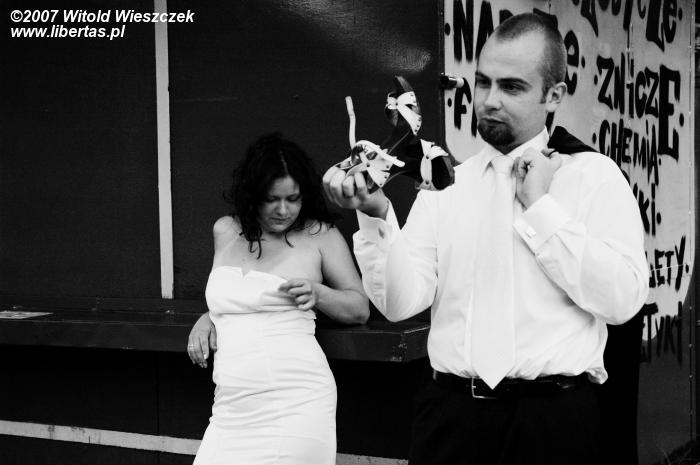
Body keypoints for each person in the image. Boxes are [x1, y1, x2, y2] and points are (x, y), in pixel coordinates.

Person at [323, 13, 649, 465]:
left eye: (512, 87)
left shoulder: (593, 177)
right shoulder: (446, 184)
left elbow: (622, 300)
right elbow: (401, 303)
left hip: (553, 425)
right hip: (452, 420)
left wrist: (541, 210)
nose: (489, 101)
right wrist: (376, 215)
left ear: (554, 95)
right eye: (482, 83)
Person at [187, 133, 369, 465]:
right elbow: (233, 299)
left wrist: (318, 293)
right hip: (231, 408)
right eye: (272, 199)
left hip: (297, 404)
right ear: (253, 194)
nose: (283, 210)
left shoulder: (320, 235)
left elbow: (359, 309)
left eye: (293, 199)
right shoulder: (225, 230)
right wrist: (208, 316)